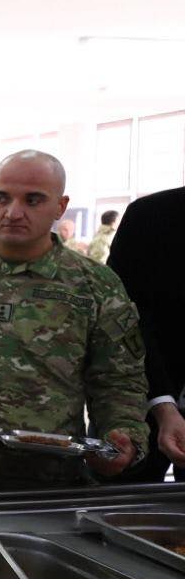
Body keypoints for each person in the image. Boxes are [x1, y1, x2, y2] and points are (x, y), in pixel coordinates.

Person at [0, 151, 148, 492]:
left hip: (51, 484)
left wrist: (123, 434)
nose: (13, 212)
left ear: (60, 206)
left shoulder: (94, 285)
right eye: (2, 198)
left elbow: (118, 379)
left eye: (33, 200)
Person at [106, 187, 185, 482]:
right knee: (125, 499)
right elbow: (124, 318)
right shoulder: (150, 215)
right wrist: (162, 405)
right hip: (142, 402)